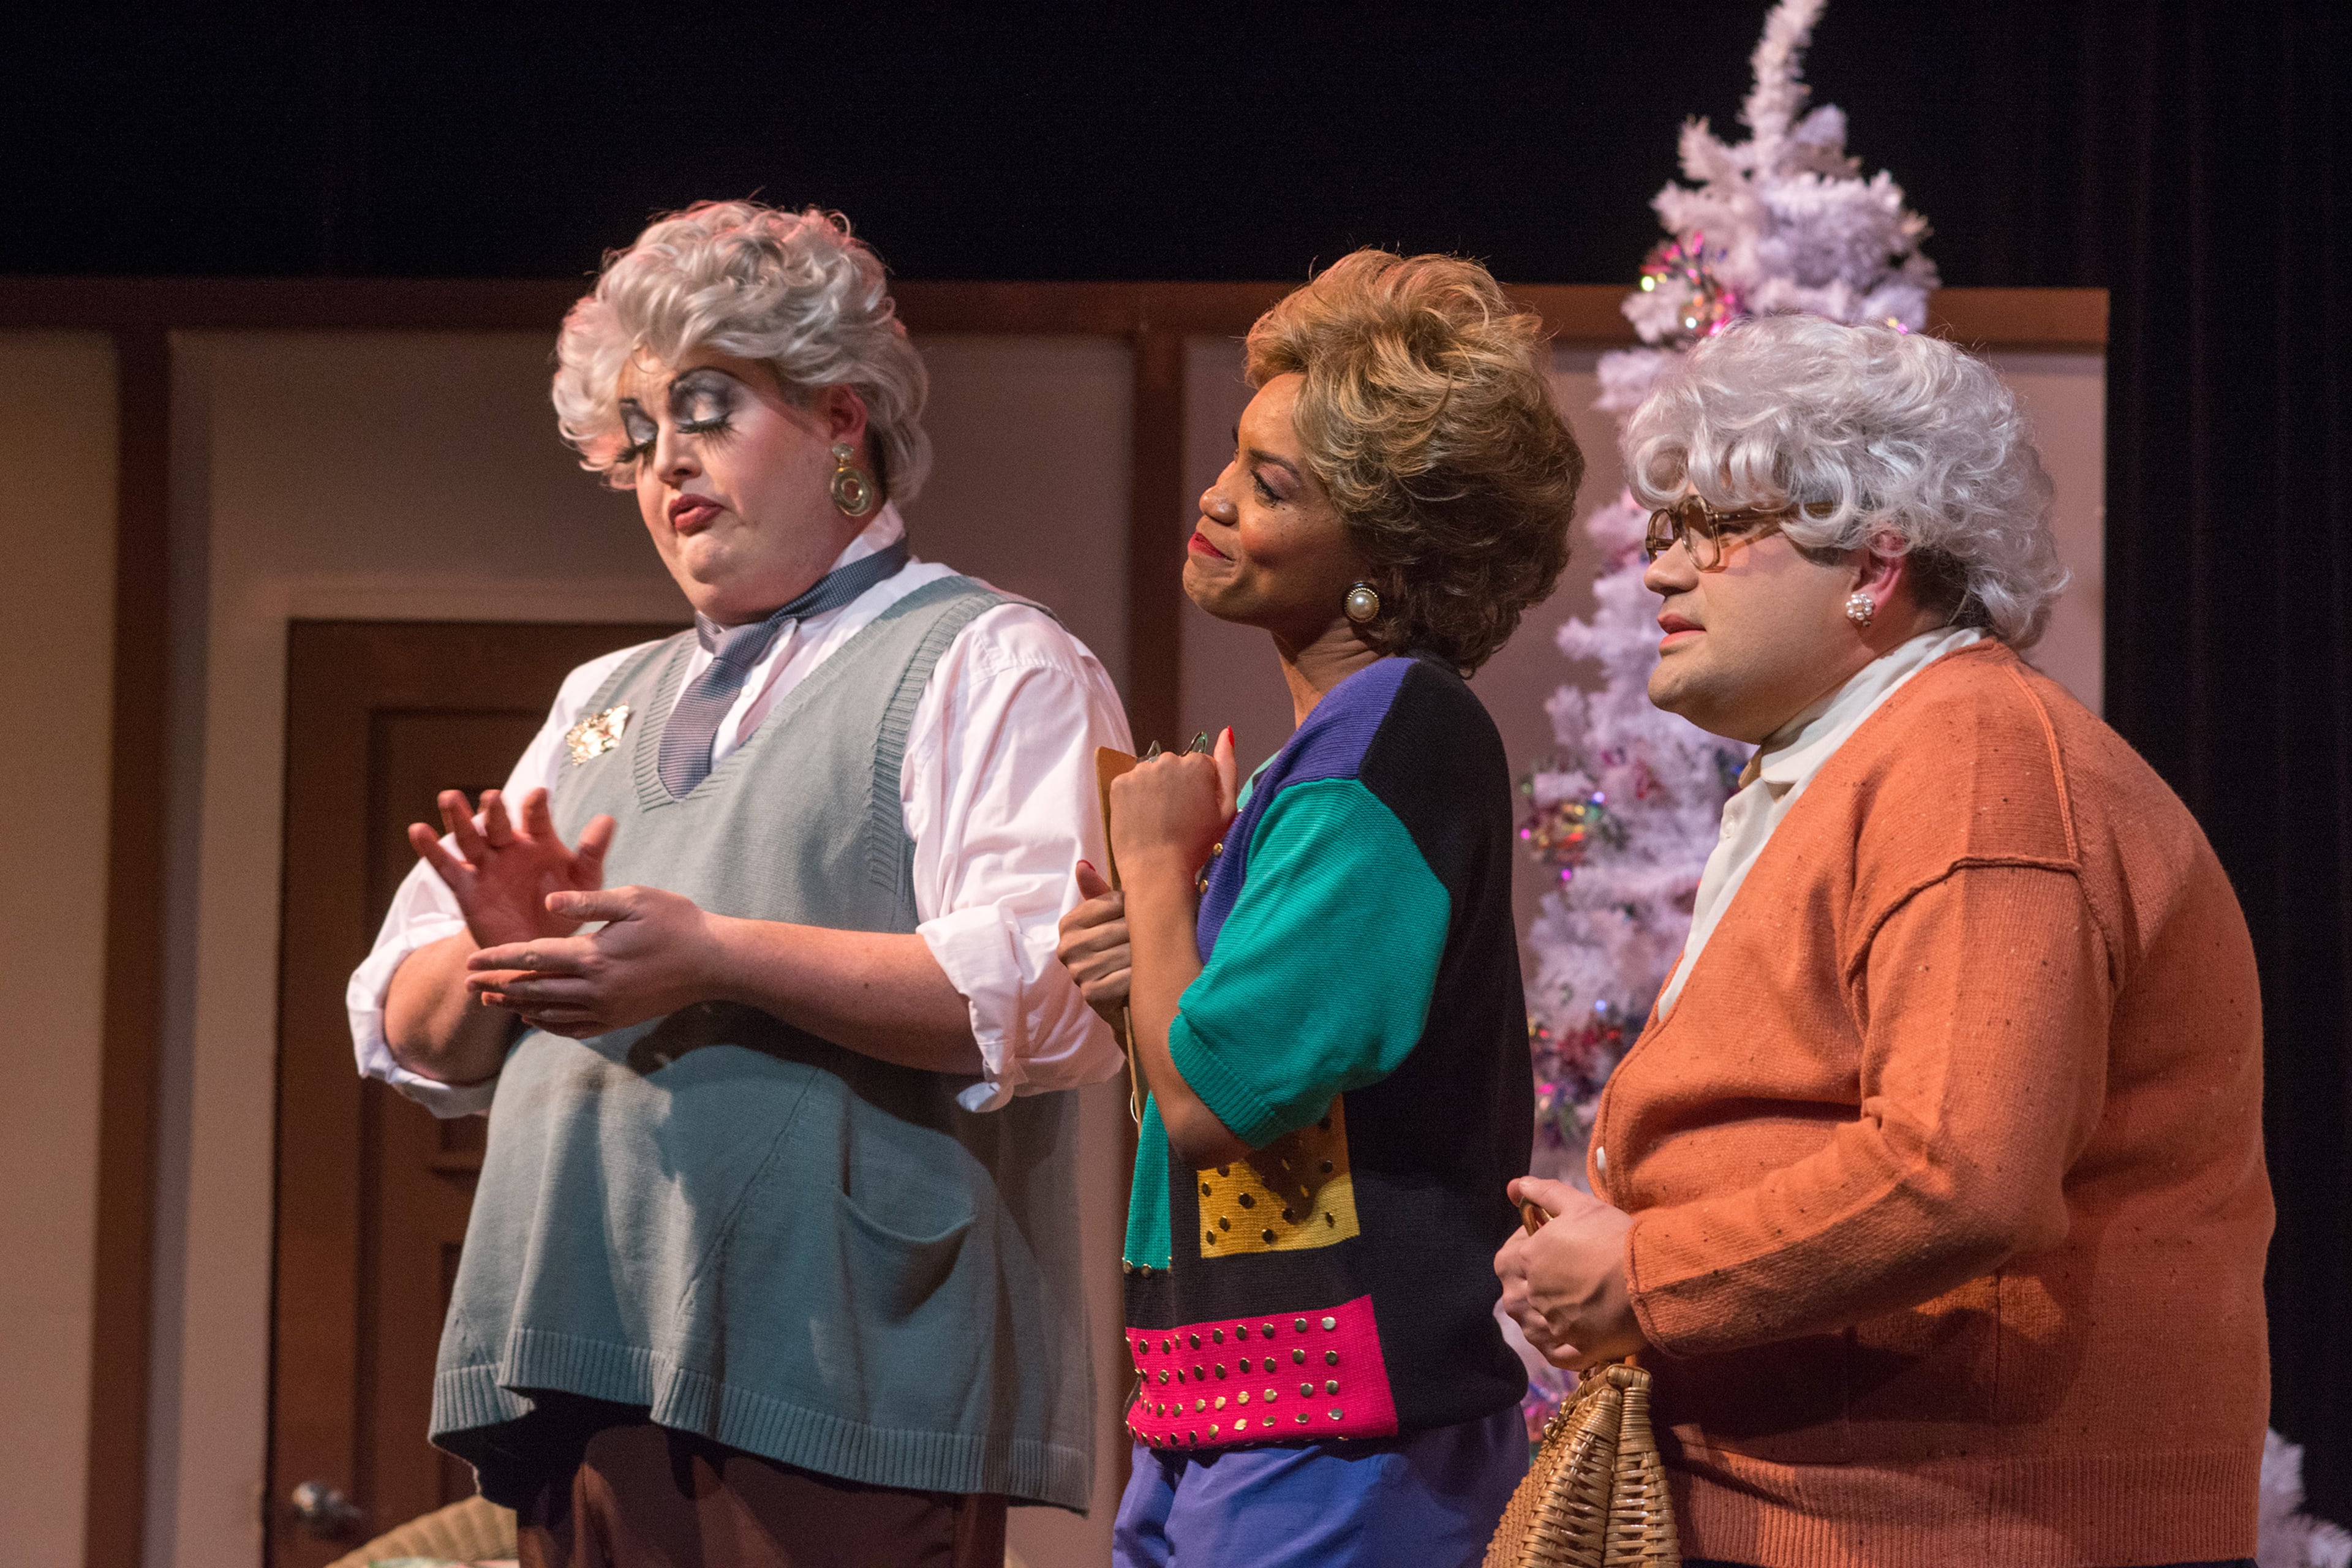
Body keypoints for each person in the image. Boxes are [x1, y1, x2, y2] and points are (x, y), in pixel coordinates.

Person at [345, 200, 1131, 1567]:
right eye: (637, 434)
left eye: (707, 408)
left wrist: (717, 954)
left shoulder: (991, 660)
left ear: (842, 418)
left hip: (841, 1373)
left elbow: (1049, 993)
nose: (666, 464)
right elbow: (402, 1023)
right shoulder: (599, 700)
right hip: (581, 1352)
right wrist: (501, 965)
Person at [1493, 314, 2272, 1568]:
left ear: (1875, 555)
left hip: (1965, 1526)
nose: (1660, 569)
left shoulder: (1973, 761)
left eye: (1714, 526)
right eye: (1662, 527)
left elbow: (1962, 1170)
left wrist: (1647, 1266)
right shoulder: (1872, 758)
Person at [1055, 249, 1585, 1567]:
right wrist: (1151, 964)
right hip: (1238, 1417)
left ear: (1386, 554)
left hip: (1342, 1442)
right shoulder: (1335, 752)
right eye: (1235, 460)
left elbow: (1214, 1101)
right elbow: (1239, 1072)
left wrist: (1156, 865)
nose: (1217, 498)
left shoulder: (1391, 741)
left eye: (1271, 484)